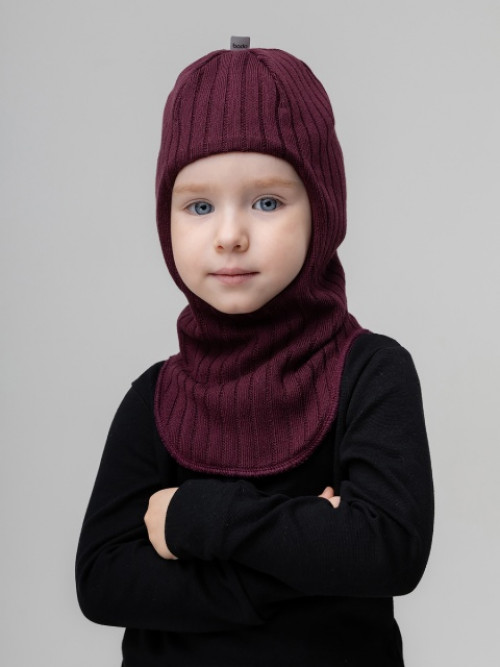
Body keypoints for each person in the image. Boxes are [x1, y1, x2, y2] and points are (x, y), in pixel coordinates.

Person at [76, 45, 434, 667]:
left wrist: (195, 516)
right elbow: (103, 581)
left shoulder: (371, 372)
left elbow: (387, 552)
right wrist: (304, 560)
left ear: (323, 208)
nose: (229, 235)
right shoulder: (156, 395)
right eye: (199, 206)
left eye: (267, 202)